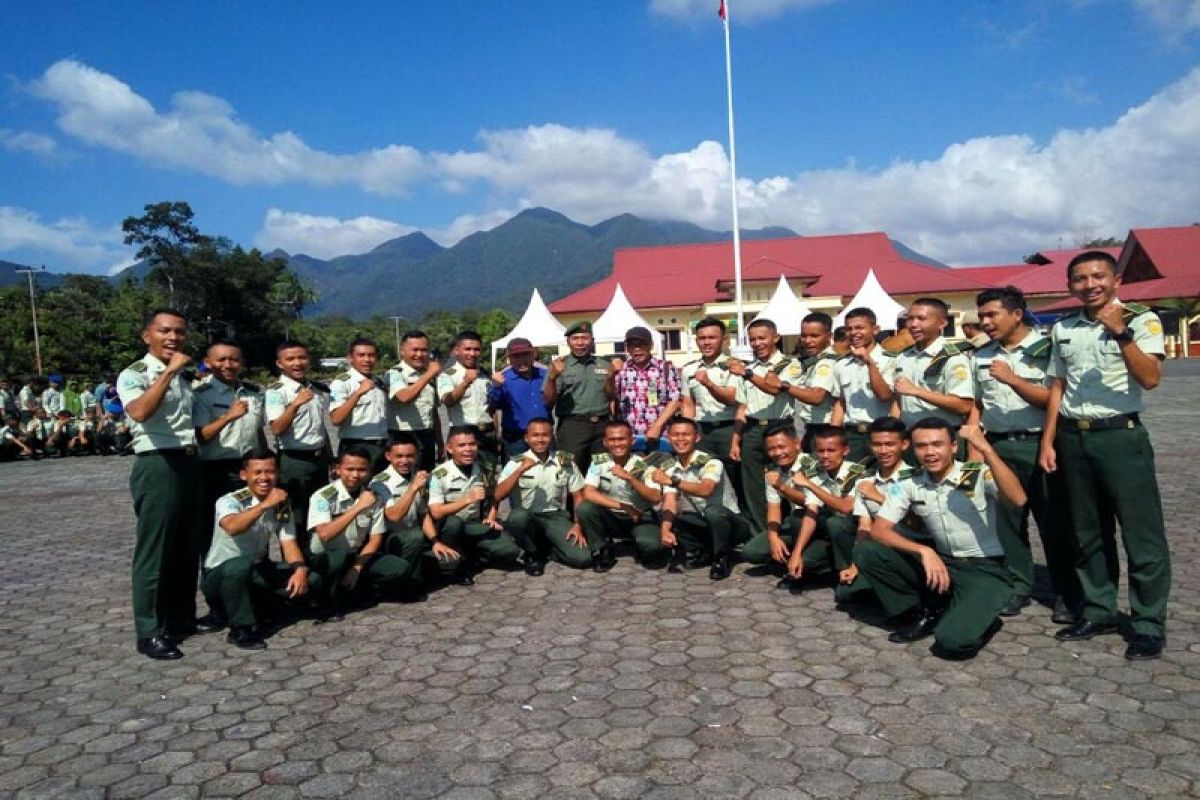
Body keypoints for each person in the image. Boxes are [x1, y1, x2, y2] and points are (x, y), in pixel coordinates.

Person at [1039, 250, 1170, 661]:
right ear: (1070, 286)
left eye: (1098, 276)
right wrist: (1047, 441)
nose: (1089, 284)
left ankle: (1148, 623)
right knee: (1087, 531)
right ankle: (1099, 610)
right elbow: (1058, 384)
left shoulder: (1140, 320)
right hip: (1073, 439)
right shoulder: (1063, 328)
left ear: (1116, 281)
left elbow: (1150, 379)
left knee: (1140, 533)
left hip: (1120, 437)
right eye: (1080, 278)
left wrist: (1121, 334)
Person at [858, 418, 1025, 660]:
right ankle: (920, 613)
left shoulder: (975, 474)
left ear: (953, 446)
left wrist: (987, 449)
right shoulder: (911, 483)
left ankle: (982, 614)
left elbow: (1018, 499)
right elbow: (879, 530)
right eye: (922, 446)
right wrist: (923, 552)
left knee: (952, 642)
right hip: (943, 563)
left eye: (937, 444)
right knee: (868, 552)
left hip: (983, 569)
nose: (930, 452)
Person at [972, 286, 1080, 621]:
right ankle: (1019, 585)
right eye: (982, 317)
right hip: (999, 447)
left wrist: (1014, 380)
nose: (986, 322)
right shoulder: (980, 355)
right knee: (1007, 522)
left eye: (993, 315)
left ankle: (1067, 592)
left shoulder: (1047, 349)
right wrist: (976, 448)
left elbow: (1056, 400)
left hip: (1040, 445)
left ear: (1017, 314)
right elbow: (977, 406)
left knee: (1054, 522)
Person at [118, 307, 215, 660]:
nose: (173, 338)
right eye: (165, 331)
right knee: (155, 551)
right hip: (157, 463)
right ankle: (150, 631)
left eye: (179, 332)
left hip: (189, 461)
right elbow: (140, 412)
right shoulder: (136, 374)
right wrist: (168, 374)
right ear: (148, 336)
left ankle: (181, 617)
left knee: (186, 547)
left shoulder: (186, 378)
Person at [201, 449, 316, 650]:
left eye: (270, 472)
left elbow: (288, 542)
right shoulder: (229, 501)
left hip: (257, 569)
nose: (264, 478)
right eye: (258, 472)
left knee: (312, 579)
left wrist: (300, 569)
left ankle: (262, 607)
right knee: (239, 566)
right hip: (221, 574)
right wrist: (265, 505)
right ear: (244, 475)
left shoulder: (280, 504)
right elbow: (233, 527)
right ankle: (241, 629)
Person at [306, 446, 415, 619]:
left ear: (369, 471)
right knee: (336, 561)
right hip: (326, 558)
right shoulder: (322, 497)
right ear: (337, 469)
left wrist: (356, 568)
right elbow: (325, 534)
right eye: (350, 469)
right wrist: (357, 508)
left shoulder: (373, 497)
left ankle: (360, 590)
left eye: (361, 470)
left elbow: (375, 539)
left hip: (355, 556)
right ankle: (327, 603)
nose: (355, 475)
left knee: (399, 568)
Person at [769, 426, 866, 600]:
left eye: (831, 450)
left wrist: (809, 485)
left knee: (836, 523)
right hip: (829, 533)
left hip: (855, 534)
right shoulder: (816, 473)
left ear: (846, 450)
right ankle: (810, 568)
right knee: (799, 518)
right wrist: (797, 554)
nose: (825, 456)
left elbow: (845, 508)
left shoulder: (857, 473)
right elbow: (811, 514)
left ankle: (844, 571)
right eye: (820, 451)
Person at [194, 340, 267, 560]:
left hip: (250, 468)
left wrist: (267, 462)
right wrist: (228, 417)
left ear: (242, 363)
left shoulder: (254, 393)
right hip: (216, 470)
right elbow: (200, 437)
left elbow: (258, 433)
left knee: (255, 524)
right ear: (208, 363)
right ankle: (215, 581)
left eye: (234, 359)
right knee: (215, 530)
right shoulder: (201, 394)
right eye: (221, 359)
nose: (228, 364)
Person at [730, 318, 803, 535]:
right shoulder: (748, 369)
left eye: (762, 338)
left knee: (787, 480)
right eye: (753, 339)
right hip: (753, 429)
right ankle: (763, 535)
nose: (757, 343)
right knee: (753, 485)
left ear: (776, 338)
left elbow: (774, 389)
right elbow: (743, 406)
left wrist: (748, 374)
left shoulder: (788, 365)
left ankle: (792, 531)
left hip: (780, 427)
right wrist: (736, 439)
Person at [655, 416, 750, 580]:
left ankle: (722, 557)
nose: (681, 439)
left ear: (697, 438)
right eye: (676, 435)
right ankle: (703, 551)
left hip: (731, 524)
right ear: (669, 438)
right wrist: (665, 531)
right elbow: (670, 501)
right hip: (703, 521)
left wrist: (673, 481)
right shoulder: (669, 467)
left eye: (686, 435)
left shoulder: (711, 462)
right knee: (665, 515)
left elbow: (706, 490)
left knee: (714, 512)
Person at [494, 417, 592, 574]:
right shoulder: (516, 462)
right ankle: (533, 555)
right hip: (527, 517)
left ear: (551, 437)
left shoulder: (564, 461)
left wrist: (577, 524)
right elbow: (498, 494)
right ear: (527, 438)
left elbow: (578, 495)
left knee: (583, 558)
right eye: (535, 435)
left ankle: (548, 548)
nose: (540, 440)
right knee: (517, 518)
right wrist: (520, 471)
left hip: (555, 517)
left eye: (545, 435)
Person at [428, 426, 522, 585]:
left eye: (472, 444)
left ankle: (472, 555)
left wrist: (491, 517)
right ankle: (457, 566)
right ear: (450, 449)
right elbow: (436, 512)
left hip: (474, 524)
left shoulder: (483, 467)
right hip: (449, 528)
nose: (468, 450)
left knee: (510, 551)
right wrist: (466, 500)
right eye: (462, 445)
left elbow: (494, 495)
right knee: (453, 523)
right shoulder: (439, 475)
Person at [576, 420, 668, 571]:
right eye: (612, 440)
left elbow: (656, 497)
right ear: (605, 442)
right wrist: (624, 507)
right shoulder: (599, 462)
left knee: (651, 549)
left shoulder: (643, 464)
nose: (617, 444)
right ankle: (602, 550)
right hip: (613, 516)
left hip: (639, 518)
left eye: (622, 439)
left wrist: (630, 478)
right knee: (585, 508)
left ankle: (639, 545)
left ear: (631, 441)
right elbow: (589, 493)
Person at [265, 340, 332, 541]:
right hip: (294, 461)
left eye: (302, 357)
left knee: (321, 513)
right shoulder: (276, 391)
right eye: (290, 359)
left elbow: (321, 428)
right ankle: (296, 564)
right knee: (296, 516)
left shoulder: (316, 389)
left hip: (319, 459)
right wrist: (295, 404)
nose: (298, 363)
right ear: (279, 363)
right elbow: (276, 428)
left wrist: (331, 457)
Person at [891, 299, 974, 452]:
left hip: (941, 440)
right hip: (910, 437)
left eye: (921, 319)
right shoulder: (903, 356)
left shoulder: (953, 357)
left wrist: (916, 391)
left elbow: (963, 405)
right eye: (910, 318)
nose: (913, 324)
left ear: (942, 324)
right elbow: (898, 400)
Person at [680, 317, 743, 507]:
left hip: (728, 429)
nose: (706, 342)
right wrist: (687, 433)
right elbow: (688, 404)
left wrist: (708, 383)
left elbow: (732, 398)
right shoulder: (689, 369)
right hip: (702, 431)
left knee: (735, 478)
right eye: (702, 338)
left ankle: (739, 524)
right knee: (702, 475)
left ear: (724, 340)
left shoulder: (734, 367)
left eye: (712, 337)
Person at [543, 321, 618, 473]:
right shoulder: (559, 365)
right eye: (575, 338)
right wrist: (552, 378)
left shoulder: (604, 364)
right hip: (573, 427)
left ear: (592, 341)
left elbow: (611, 396)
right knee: (571, 471)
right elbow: (548, 401)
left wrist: (610, 377)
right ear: (568, 342)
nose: (580, 343)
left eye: (584, 338)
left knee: (601, 470)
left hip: (601, 426)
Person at [369, 435, 436, 599]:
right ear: (388, 456)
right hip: (387, 539)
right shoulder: (379, 482)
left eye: (410, 456)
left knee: (450, 562)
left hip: (412, 536)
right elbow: (393, 516)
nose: (405, 461)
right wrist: (412, 489)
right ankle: (405, 586)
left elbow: (423, 513)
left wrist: (436, 542)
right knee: (414, 537)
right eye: (399, 456)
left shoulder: (416, 477)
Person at [830, 308, 896, 461]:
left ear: (875, 330)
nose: (854, 333)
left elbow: (885, 395)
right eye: (849, 329)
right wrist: (833, 434)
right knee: (852, 479)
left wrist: (870, 364)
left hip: (881, 432)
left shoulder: (890, 360)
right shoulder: (841, 364)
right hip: (852, 434)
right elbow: (840, 402)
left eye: (859, 328)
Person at [613, 326, 682, 453]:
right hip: (629, 440)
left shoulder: (665, 368)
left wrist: (657, 426)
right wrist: (610, 375)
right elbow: (611, 398)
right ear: (627, 348)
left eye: (641, 344)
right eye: (632, 345)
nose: (637, 349)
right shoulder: (620, 371)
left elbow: (675, 401)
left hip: (660, 437)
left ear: (651, 345)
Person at [438, 330, 499, 466]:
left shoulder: (485, 374)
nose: (472, 353)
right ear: (456, 350)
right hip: (462, 434)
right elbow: (448, 401)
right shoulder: (448, 375)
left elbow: (491, 408)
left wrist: (497, 434)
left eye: (476, 349)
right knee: (463, 479)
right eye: (467, 349)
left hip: (486, 434)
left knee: (489, 477)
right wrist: (465, 383)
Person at [329, 337, 389, 471]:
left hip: (381, 445)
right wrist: (358, 394)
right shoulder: (342, 383)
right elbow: (336, 419)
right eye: (361, 355)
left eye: (371, 355)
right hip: (355, 445)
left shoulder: (378, 382)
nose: (367, 360)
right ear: (350, 358)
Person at [386, 330, 441, 472]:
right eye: (414, 350)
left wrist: (440, 443)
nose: (419, 354)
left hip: (427, 436)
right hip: (403, 436)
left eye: (424, 350)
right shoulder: (395, 373)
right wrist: (429, 374)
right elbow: (405, 397)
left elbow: (433, 412)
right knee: (402, 484)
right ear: (402, 351)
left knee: (426, 481)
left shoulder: (428, 374)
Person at [487, 337, 550, 458]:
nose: (522, 360)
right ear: (509, 358)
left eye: (525, 354)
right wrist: (496, 387)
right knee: (514, 472)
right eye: (516, 356)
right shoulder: (502, 379)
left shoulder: (546, 375)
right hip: (516, 439)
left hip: (543, 436)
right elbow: (493, 406)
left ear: (533, 354)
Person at [783, 313, 838, 449]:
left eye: (814, 336)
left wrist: (784, 386)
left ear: (829, 337)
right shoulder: (813, 360)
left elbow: (817, 397)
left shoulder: (827, 362)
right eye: (804, 335)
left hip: (825, 427)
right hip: (810, 426)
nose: (807, 341)